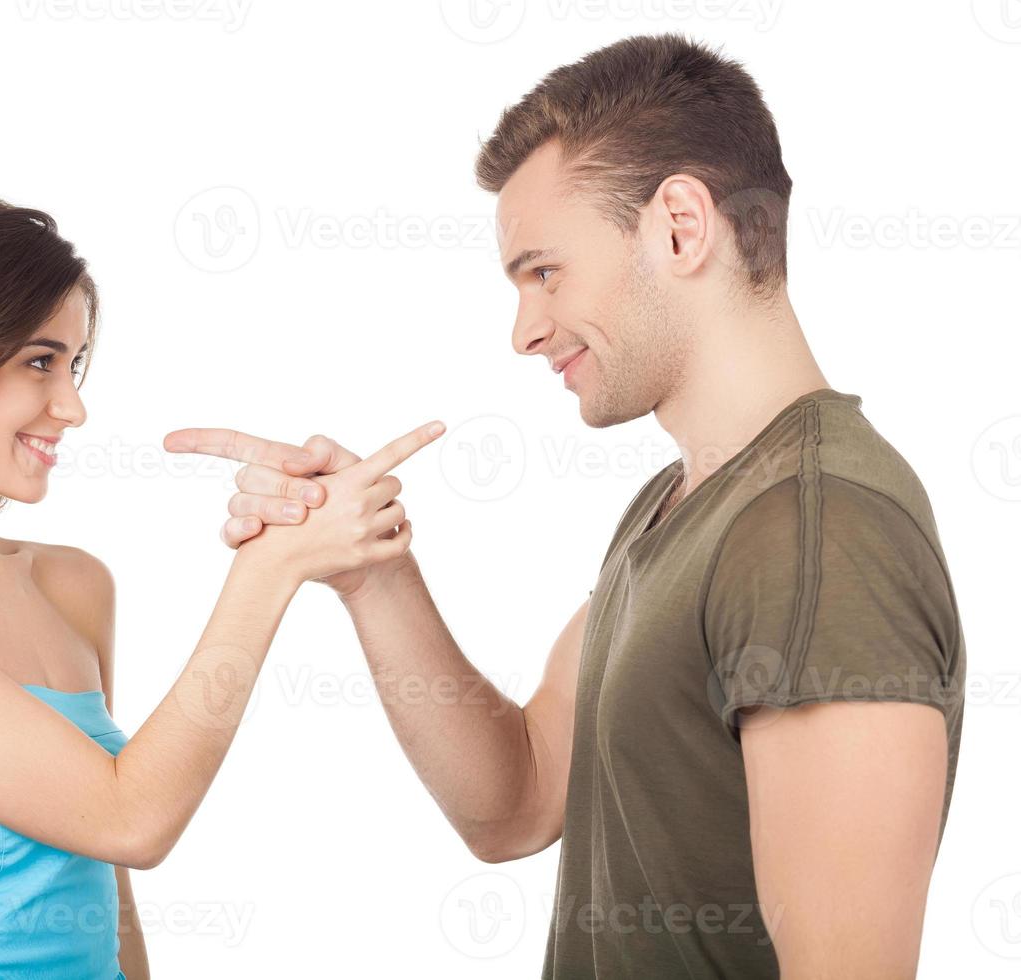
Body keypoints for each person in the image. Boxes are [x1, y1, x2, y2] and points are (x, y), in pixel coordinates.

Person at [165, 34, 966, 978]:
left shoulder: (820, 531)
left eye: (545, 271)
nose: (524, 330)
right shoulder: (678, 508)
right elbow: (519, 802)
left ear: (679, 226)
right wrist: (372, 571)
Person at [0, 188, 444, 978]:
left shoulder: (73, 584)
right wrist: (271, 566)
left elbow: (109, 893)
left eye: (73, 367)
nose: (71, 407)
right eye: (38, 362)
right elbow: (129, 820)